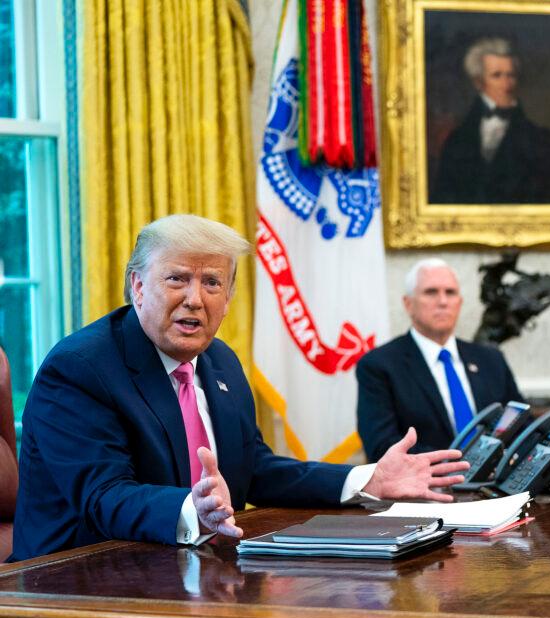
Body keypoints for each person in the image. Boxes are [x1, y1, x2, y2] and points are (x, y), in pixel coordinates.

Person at [12, 215, 468, 562]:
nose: (195, 298)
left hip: (187, 566)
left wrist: (366, 479)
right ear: (137, 286)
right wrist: (192, 509)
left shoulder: (219, 361)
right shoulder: (80, 368)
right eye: (177, 279)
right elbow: (103, 497)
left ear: (227, 299)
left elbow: (256, 469)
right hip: (74, 580)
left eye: (212, 282)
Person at [356, 258, 524, 460]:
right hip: (425, 486)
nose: (443, 301)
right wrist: (458, 462)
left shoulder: (490, 359)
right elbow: (381, 447)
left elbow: (520, 422)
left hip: (498, 484)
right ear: (408, 304)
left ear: (459, 303)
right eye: (431, 292)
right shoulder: (378, 365)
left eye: (450, 293)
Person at [429, 37, 550, 205]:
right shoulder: (456, 141)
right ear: (478, 82)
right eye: (497, 76)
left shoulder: (542, 141)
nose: (507, 84)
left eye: (511, 75)